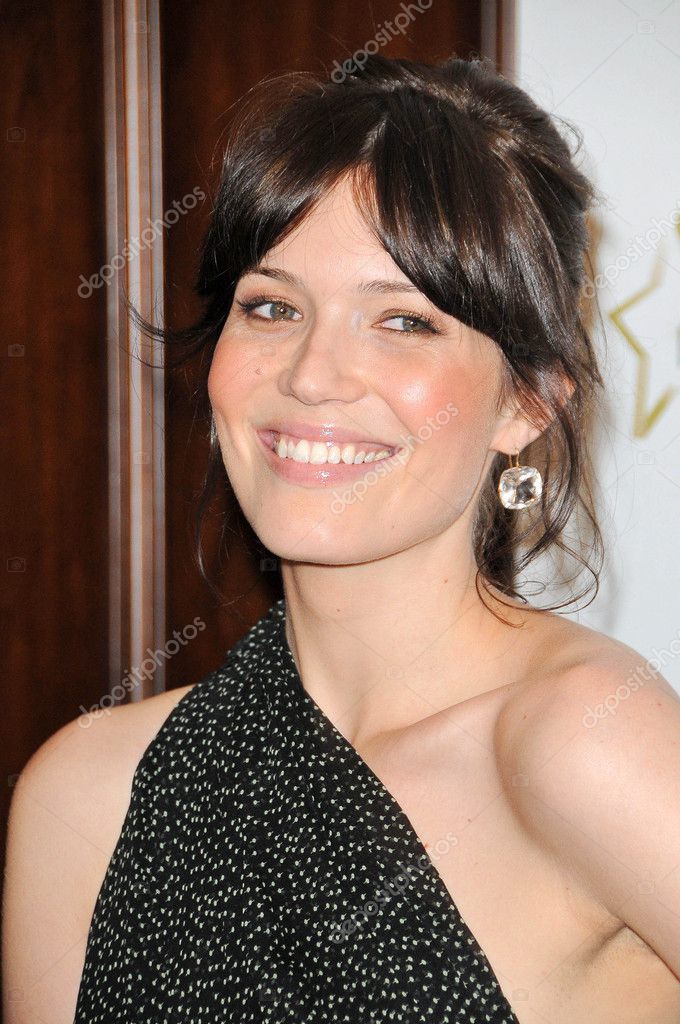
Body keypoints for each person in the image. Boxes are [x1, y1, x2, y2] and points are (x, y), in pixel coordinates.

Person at [4, 54, 680, 1024]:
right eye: (271, 307)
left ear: (527, 402)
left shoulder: (585, 743)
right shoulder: (82, 795)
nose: (312, 374)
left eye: (402, 321)